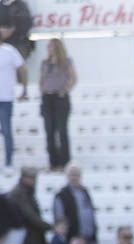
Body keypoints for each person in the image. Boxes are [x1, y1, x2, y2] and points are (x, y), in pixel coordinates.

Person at [39, 38, 75, 172]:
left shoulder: (66, 62)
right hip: (47, 98)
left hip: (60, 98)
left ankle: (64, 161)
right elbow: (41, 79)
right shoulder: (45, 63)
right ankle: (52, 162)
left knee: (62, 130)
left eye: (52, 46)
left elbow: (73, 77)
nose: (49, 49)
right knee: (49, 131)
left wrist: (65, 90)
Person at [10, 167, 48, 244]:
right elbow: (31, 217)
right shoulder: (19, 193)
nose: (33, 180)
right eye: (30, 177)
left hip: (33, 241)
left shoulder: (28, 193)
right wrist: (51, 227)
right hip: (26, 243)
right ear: (23, 178)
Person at [53, 165, 97, 244]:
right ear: (67, 176)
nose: (74, 177)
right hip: (72, 241)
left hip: (88, 238)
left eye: (76, 175)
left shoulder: (85, 192)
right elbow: (59, 218)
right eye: (72, 175)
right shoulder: (61, 195)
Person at [0, 26, 24, 168]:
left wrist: (24, 88)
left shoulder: (9, 51)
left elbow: (22, 67)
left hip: (6, 98)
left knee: (7, 131)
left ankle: (9, 162)